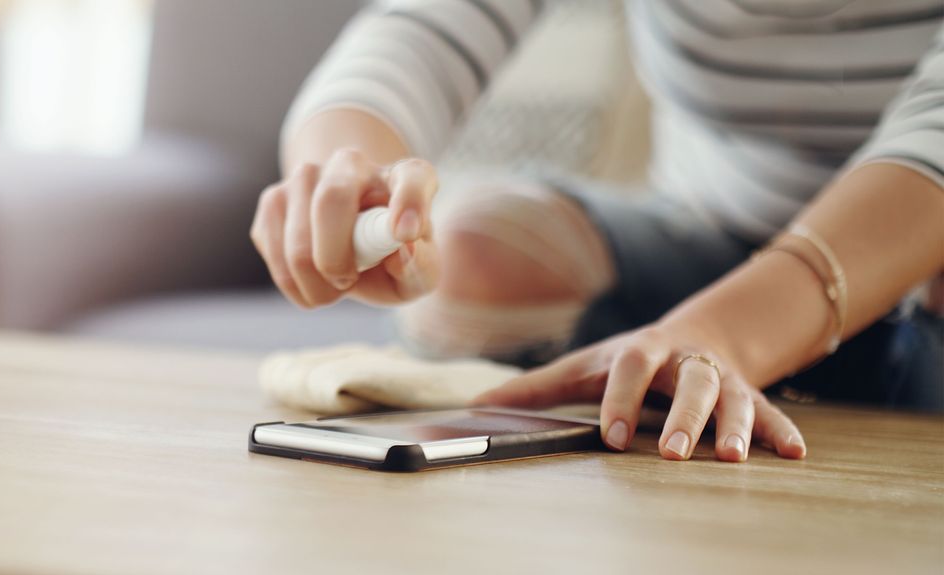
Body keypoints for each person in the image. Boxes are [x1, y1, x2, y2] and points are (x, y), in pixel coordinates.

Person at [249, 0, 944, 462]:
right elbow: (421, 30)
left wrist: (727, 336)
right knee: (479, 256)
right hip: (714, 234)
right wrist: (345, 180)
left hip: (919, 266)